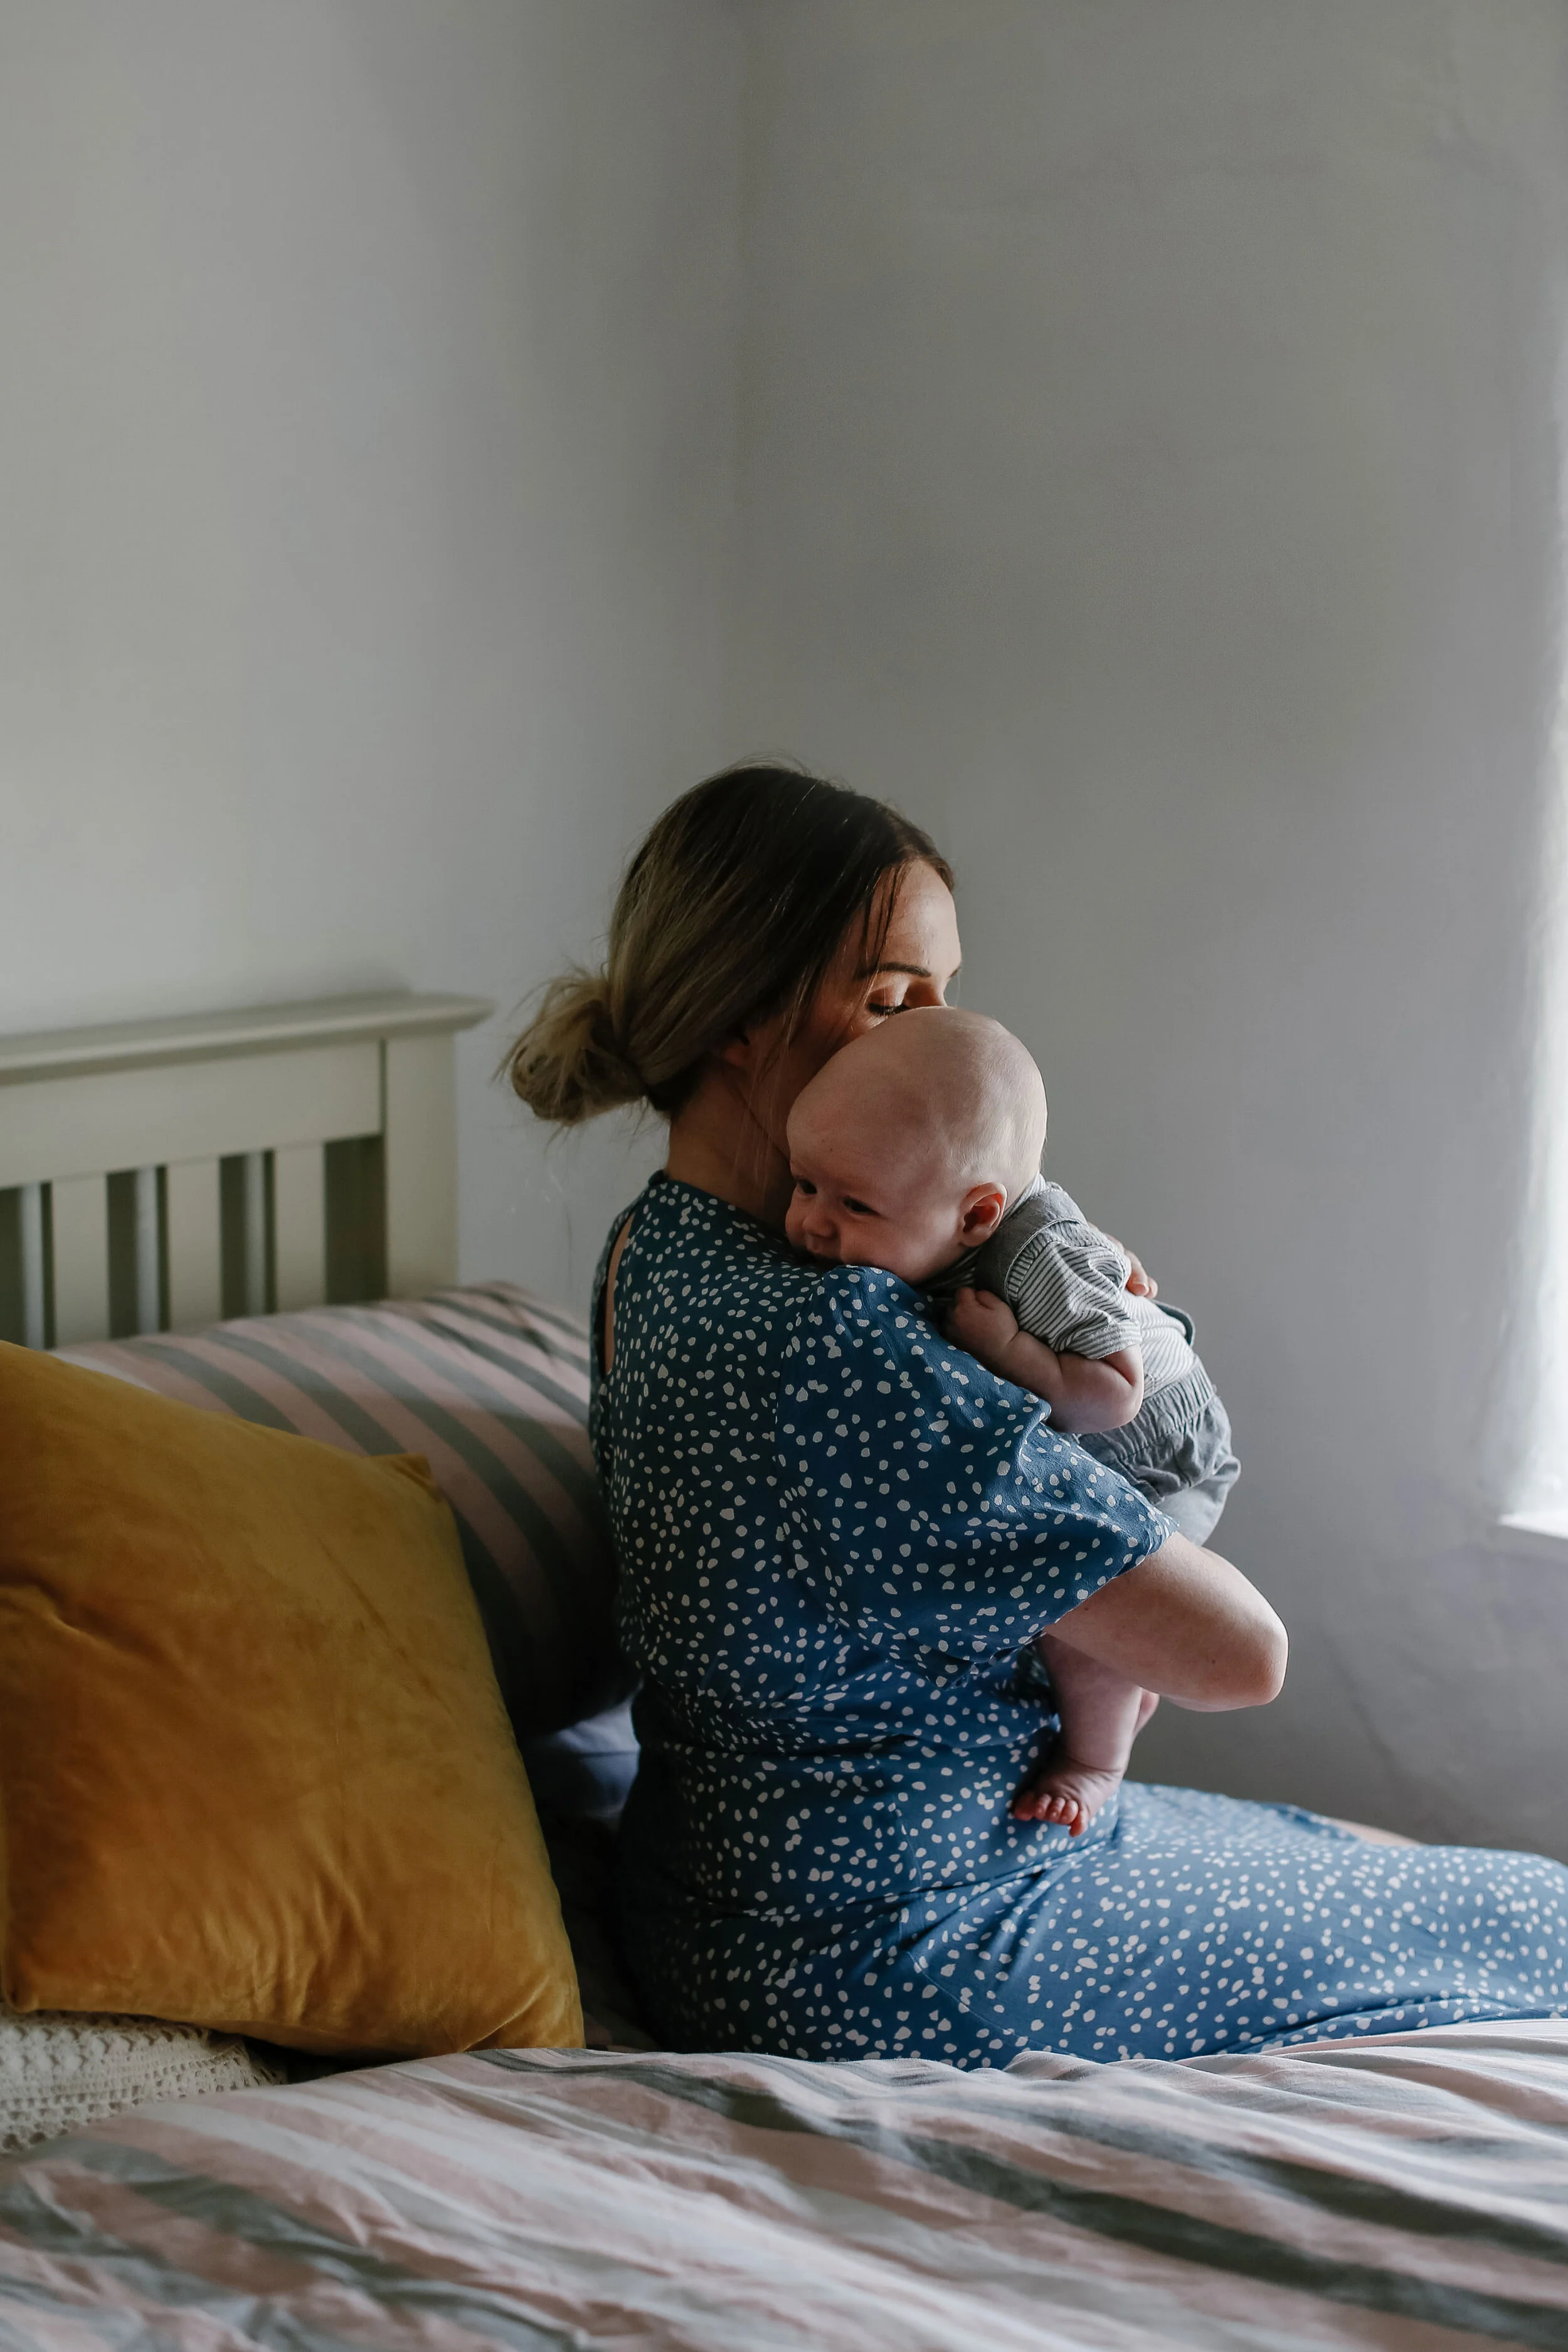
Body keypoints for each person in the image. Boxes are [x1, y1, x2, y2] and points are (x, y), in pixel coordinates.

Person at [508, 761, 1568, 2065]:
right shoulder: (824, 1337)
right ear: (738, 1017)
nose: (922, 1040)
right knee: (1539, 1923)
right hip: (901, 1944)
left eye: (942, 998)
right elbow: (1239, 1656)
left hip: (721, 1915)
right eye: (888, 998)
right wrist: (1121, 1401)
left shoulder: (653, 1249)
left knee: (1403, 1883)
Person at [783, 1002, 1237, 1836]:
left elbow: (1113, 1392)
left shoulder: (1041, 1260)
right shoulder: (929, 1208)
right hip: (1115, 1433)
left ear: (979, 1216)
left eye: (852, 1204)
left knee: (1079, 1628)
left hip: (1163, 1452)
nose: (811, 1222)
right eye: (803, 1185)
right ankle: (1120, 1682)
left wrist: (1013, 1353)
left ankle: (1097, 1758)